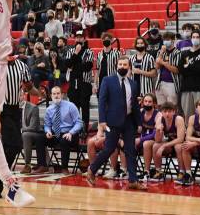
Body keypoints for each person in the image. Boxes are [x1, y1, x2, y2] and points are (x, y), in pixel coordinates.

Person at [85, 56, 141, 188]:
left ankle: (133, 180)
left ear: (129, 67)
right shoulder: (107, 80)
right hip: (112, 121)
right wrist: (102, 120)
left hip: (128, 121)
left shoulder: (133, 84)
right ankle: (92, 170)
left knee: (130, 150)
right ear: (117, 66)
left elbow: (135, 106)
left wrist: (138, 123)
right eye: (120, 64)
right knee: (109, 149)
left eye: (125, 64)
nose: (122, 66)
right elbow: (102, 101)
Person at [0, 56, 31, 196]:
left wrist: (30, 88)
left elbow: (28, 84)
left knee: (10, 146)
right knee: (14, 145)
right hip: (1, 109)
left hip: (16, 108)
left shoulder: (22, 66)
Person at [36, 86, 83, 173]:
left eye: (58, 93)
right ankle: (42, 165)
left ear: (62, 94)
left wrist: (71, 133)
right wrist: (48, 131)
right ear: (51, 95)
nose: (56, 96)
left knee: (64, 140)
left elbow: (79, 123)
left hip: (69, 134)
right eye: (54, 94)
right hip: (55, 134)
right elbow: (47, 125)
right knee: (39, 138)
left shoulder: (70, 106)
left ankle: (64, 167)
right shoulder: (49, 109)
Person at [146, 102, 186, 182]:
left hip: (180, 144)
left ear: (174, 112)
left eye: (169, 111)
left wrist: (164, 146)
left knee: (178, 146)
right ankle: (158, 171)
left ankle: (182, 172)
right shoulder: (160, 119)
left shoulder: (179, 119)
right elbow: (157, 140)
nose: (167, 114)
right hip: (170, 144)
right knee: (156, 146)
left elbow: (180, 139)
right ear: (161, 112)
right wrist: (158, 131)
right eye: (165, 111)